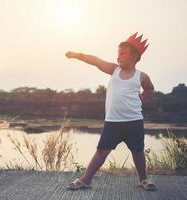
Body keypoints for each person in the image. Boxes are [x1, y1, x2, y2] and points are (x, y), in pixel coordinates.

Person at [65, 32, 156, 191]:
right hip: (113, 122)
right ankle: (86, 179)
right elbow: (95, 60)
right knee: (101, 152)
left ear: (135, 57)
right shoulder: (113, 70)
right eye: (118, 54)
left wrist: (142, 98)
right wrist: (77, 55)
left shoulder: (141, 76)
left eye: (123, 54)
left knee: (138, 151)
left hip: (134, 121)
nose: (118, 57)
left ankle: (143, 179)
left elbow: (150, 89)